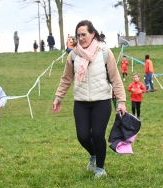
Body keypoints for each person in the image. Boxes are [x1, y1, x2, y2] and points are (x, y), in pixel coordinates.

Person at [52, 20, 126, 178]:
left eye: (84, 34)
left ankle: (100, 168)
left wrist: (122, 101)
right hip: (81, 102)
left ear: (93, 34)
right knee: (83, 136)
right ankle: (93, 155)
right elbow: (66, 79)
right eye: (78, 35)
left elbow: (115, 78)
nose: (81, 38)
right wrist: (58, 97)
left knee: (98, 134)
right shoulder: (73, 55)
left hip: (102, 101)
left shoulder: (105, 52)